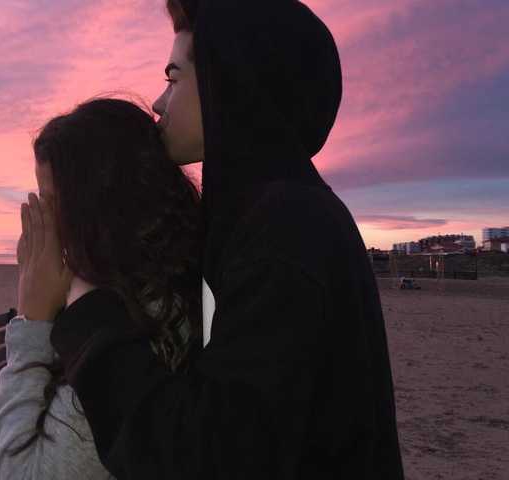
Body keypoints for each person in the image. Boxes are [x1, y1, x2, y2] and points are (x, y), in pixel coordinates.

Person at [38, 0, 406, 478]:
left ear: (225, 82)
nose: (158, 103)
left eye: (173, 79)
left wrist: (87, 311)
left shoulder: (286, 230)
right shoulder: (258, 217)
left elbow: (210, 455)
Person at [0, 97, 203, 479]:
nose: (47, 220)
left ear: (96, 210)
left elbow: (20, 472)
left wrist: (32, 322)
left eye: (53, 202)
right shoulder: (171, 283)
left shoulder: (131, 328)